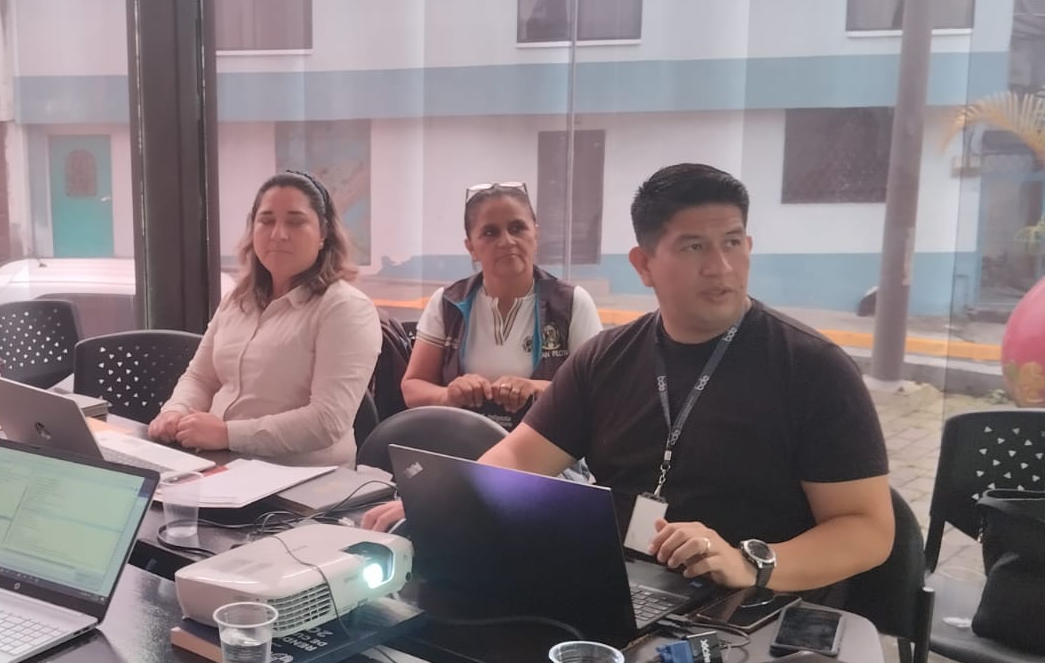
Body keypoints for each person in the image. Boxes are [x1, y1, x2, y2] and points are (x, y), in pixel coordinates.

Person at [365, 162, 893, 597]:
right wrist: (436, 505)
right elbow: (519, 458)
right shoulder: (607, 359)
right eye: (693, 247)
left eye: (732, 243)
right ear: (643, 264)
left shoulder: (813, 369)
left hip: (752, 606)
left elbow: (867, 528)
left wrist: (749, 562)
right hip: (619, 588)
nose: (720, 267)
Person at [150, 171, 381, 467]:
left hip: (300, 480)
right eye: (267, 221)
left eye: (295, 222)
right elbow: (201, 378)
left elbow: (327, 421)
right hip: (220, 463)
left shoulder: (345, 308)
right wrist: (176, 411)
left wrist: (227, 434)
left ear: (323, 235)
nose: (278, 234)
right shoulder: (237, 300)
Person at [404, 181, 603, 427]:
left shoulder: (572, 303)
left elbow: (597, 392)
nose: (507, 241)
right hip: (462, 444)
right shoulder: (447, 303)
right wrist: (447, 395)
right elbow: (412, 387)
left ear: (535, 235)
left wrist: (537, 389)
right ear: (471, 247)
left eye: (517, 228)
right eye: (490, 232)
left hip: (545, 448)